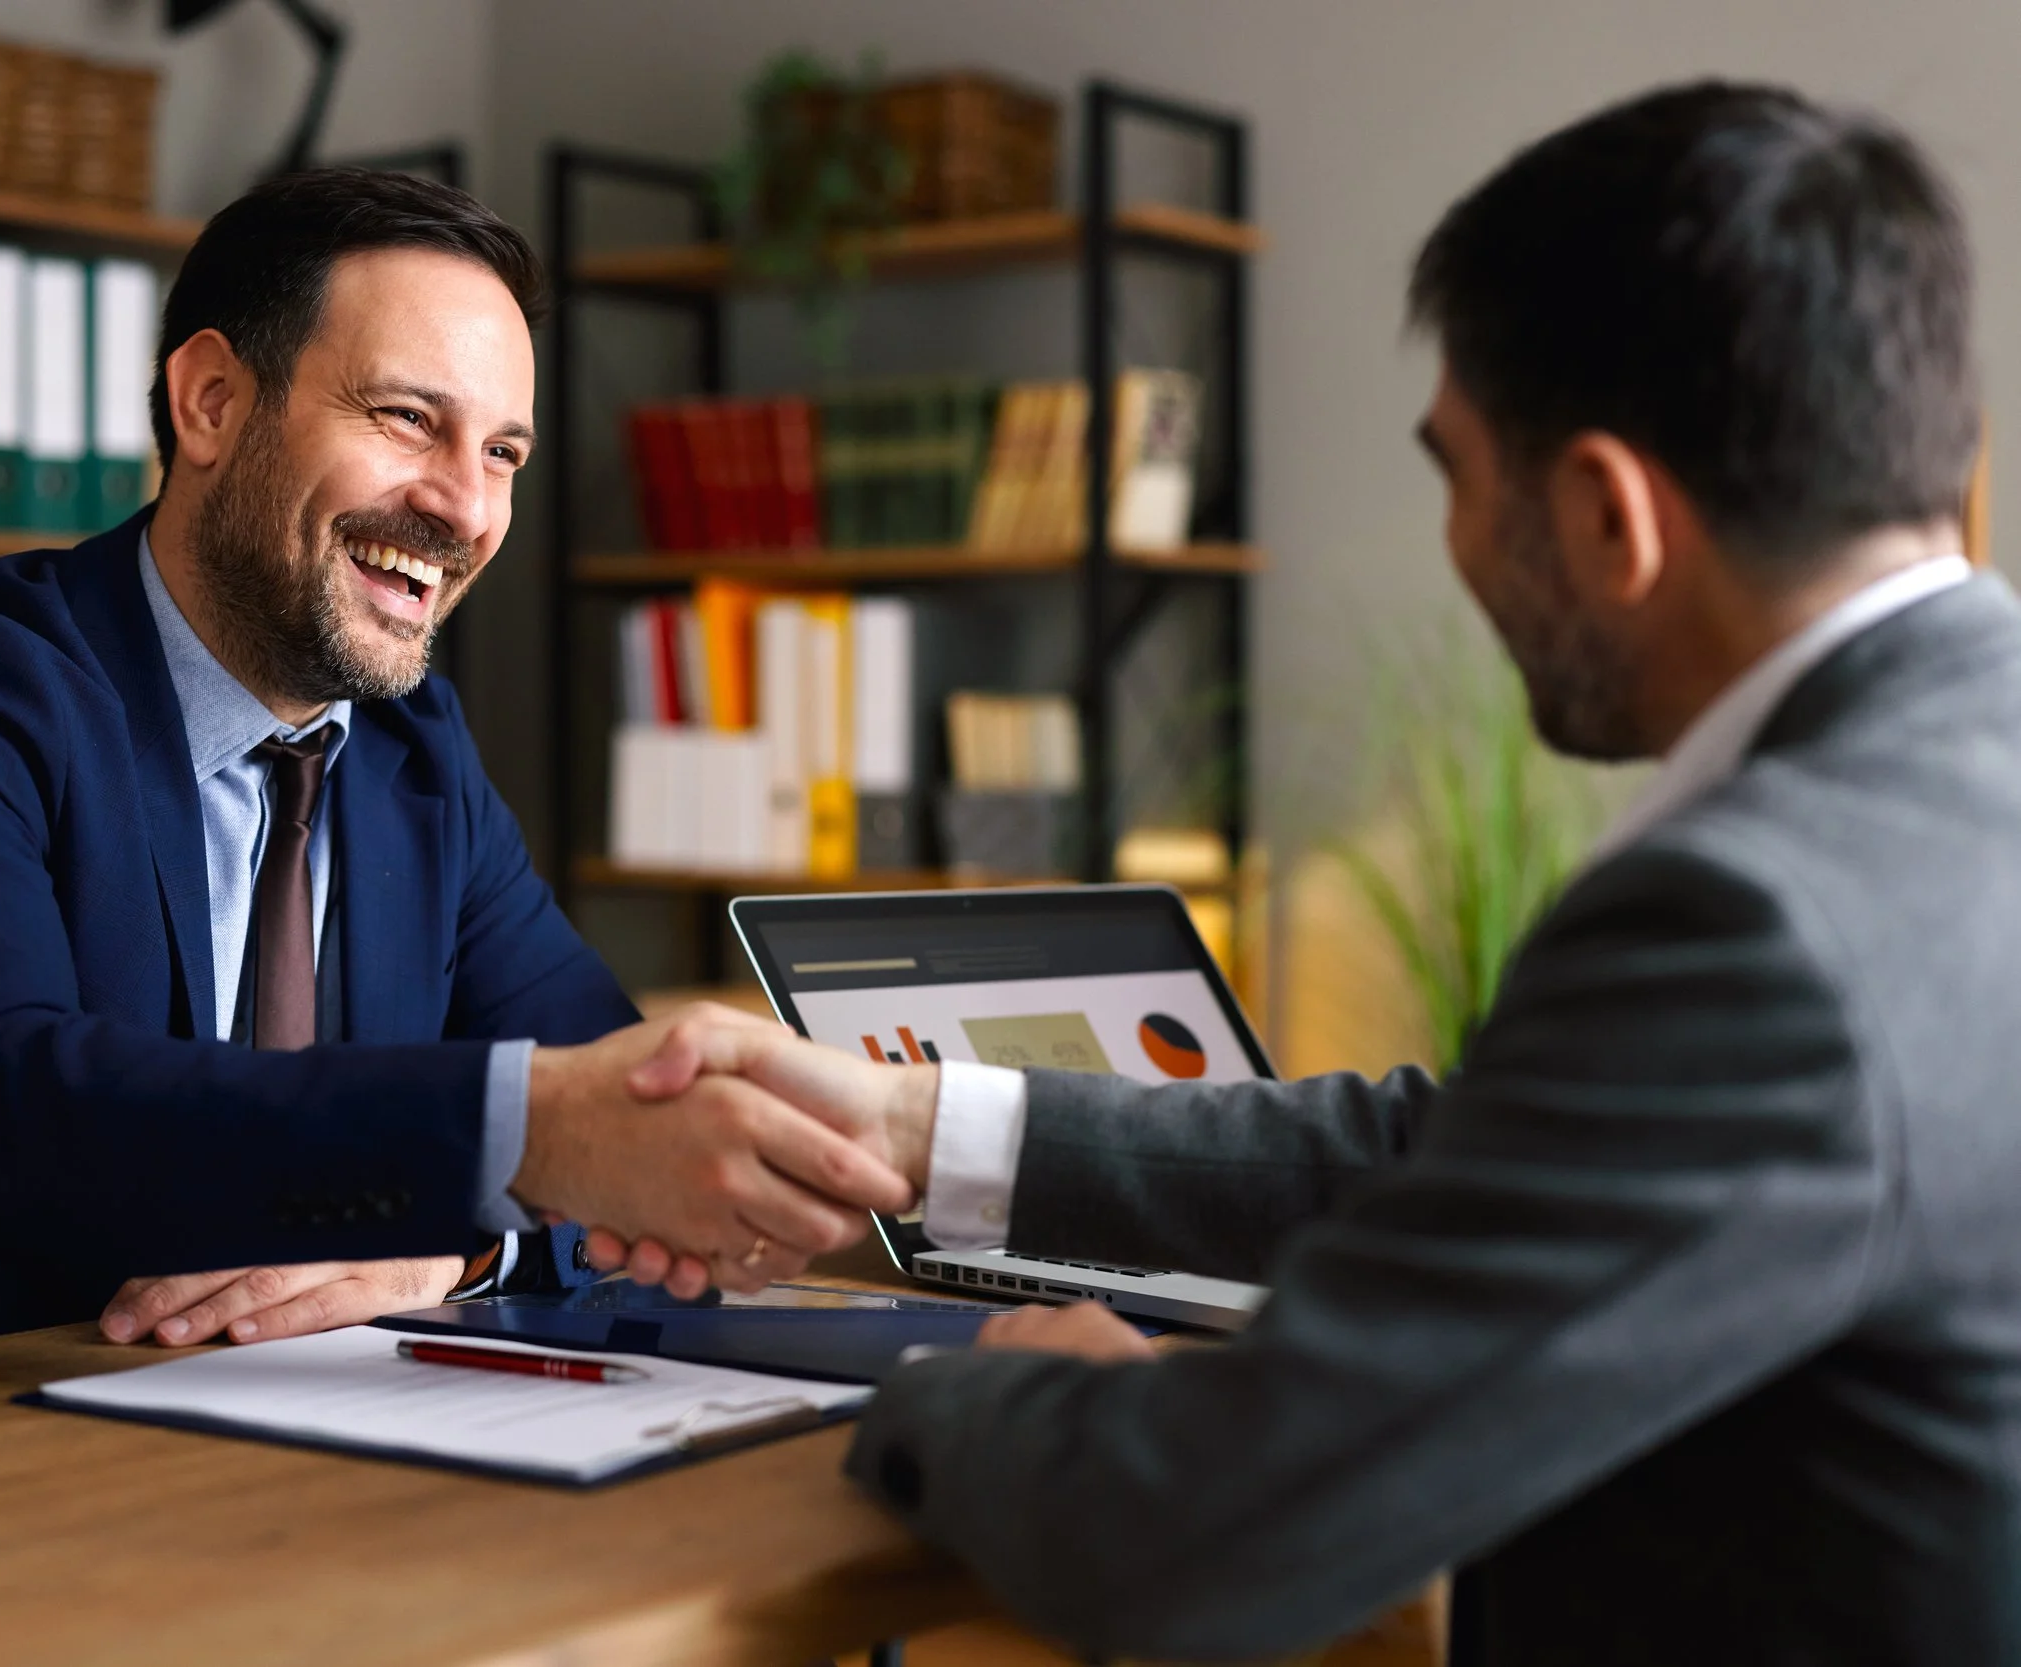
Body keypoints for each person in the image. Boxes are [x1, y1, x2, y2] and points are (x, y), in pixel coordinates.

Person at [597, 83, 2021, 1665]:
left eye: (1459, 474)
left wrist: (990, 1370)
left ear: (1610, 515)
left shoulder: (1768, 923)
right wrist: (922, 1124)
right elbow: (1477, 1154)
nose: (1461, 541)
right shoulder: (1957, 795)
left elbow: (1186, 1535)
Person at [0, 168, 908, 1362]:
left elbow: (626, 1122)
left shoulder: (417, 756)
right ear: (210, 403)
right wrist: (513, 1135)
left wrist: (457, 1243)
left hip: (248, 1458)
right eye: (411, 419)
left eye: (503, 453)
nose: (466, 509)